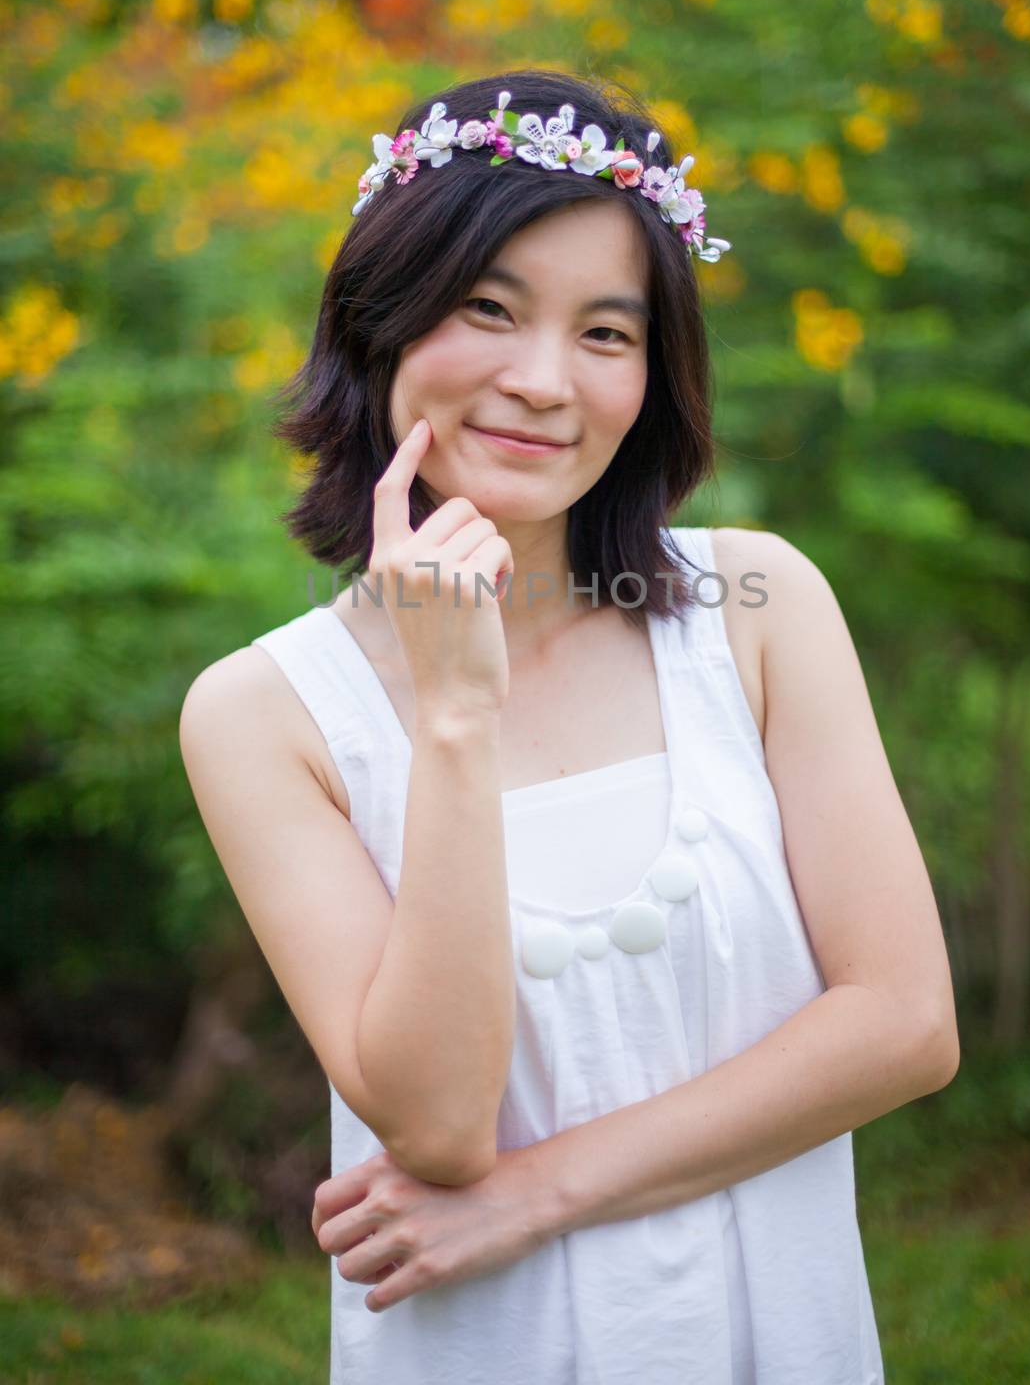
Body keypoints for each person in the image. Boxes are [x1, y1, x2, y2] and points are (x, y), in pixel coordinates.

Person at [179, 68, 959, 1385]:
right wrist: (455, 717)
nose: (544, 382)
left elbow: (902, 1023)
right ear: (378, 322)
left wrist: (535, 1193)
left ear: (654, 377)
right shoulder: (266, 714)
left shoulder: (757, 612)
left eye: (607, 333)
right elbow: (433, 1125)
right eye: (490, 309)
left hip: (778, 1336)